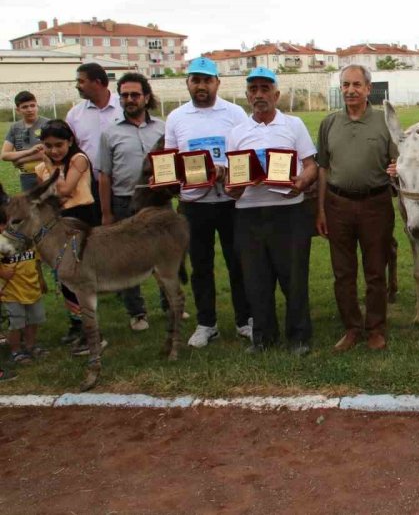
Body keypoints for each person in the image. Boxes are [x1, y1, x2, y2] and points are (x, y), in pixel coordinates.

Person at [226, 67, 317, 355]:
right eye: (253, 90)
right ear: (247, 96)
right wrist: (232, 188)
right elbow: (232, 176)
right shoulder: (237, 132)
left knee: (294, 278)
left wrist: (302, 181)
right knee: (256, 280)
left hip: (288, 212)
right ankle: (263, 337)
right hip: (249, 213)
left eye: (265, 89)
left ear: (276, 95)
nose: (259, 95)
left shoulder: (294, 125)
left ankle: (299, 336)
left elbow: (312, 164)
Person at [165, 57, 252, 348]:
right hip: (194, 203)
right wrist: (179, 180)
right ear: (187, 83)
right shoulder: (177, 117)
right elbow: (169, 160)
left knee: (237, 262)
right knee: (201, 265)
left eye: (207, 80)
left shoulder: (235, 113)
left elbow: (247, 154)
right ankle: (206, 323)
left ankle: (244, 320)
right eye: (195, 80)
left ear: (217, 82)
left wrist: (226, 171)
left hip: (230, 201)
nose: (201, 86)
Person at [316, 65, 397, 352]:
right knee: (343, 272)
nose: (350, 90)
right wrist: (321, 210)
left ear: (368, 88)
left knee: (376, 270)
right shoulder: (329, 124)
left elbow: (398, 163)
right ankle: (352, 328)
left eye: (356, 85)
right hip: (338, 205)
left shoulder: (385, 123)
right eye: (345, 85)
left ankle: (375, 329)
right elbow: (323, 169)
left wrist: (396, 169)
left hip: (376, 204)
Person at [98, 73, 164, 331]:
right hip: (124, 202)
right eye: (124, 95)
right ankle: (137, 313)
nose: (129, 99)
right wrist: (106, 213)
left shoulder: (163, 128)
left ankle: (170, 305)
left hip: (157, 202)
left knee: (163, 256)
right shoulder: (109, 133)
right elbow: (104, 175)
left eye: (134, 95)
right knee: (127, 260)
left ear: (146, 97)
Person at [35, 119, 102, 354]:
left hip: (81, 219)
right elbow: (46, 198)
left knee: (80, 277)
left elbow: (63, 190)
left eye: (59, 145)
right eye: (48, 145)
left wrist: (47, 164)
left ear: (70, 141)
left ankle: (93, 333)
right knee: (63, 277)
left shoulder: (78, 159)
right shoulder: (43, 168)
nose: (53, 151)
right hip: (59, 222)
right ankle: (77, 323)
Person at [65, 62, 123, 191]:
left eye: (81, 81)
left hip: (124, 185)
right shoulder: (74, 115)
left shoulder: (124, 107)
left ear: (97, 82)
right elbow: (70, 150)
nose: (77, 86)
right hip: (89, 186)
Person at [0, 204, 46, 366]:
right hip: (12, 291)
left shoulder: (30, 240)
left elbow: (37, 260)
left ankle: (31, 345)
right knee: (16, 323)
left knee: (34, 320)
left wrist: (41, 279)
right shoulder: (2, 241)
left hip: (32, 288)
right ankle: (16, 351)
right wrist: (3, 273)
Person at [2, 91, 50, 192]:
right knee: (29, 206)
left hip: (47, 173)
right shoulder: (15, 128)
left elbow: (49, 152)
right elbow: (5, 155)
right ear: (18, 110)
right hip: (26, 176)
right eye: (25, 107)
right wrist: (29, 151)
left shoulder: (48, 124)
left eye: (32, 106)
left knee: (49, 205)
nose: (30, 110)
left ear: (37, 106)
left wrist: (21, 160)